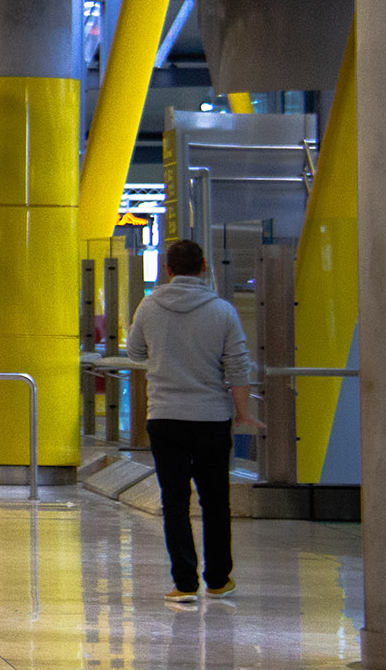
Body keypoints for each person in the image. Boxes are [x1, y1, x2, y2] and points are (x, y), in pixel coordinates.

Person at [126, 239, 259, 601]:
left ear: (167, 270)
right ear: (204, 267)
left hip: (165, 417)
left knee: (174, 500)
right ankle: (218, 579)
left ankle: (184, 583)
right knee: (215, 500)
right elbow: (237, 366)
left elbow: (135, 350)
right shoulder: (223, 311)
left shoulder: (149, 307)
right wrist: (244, 412)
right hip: (212, 418)